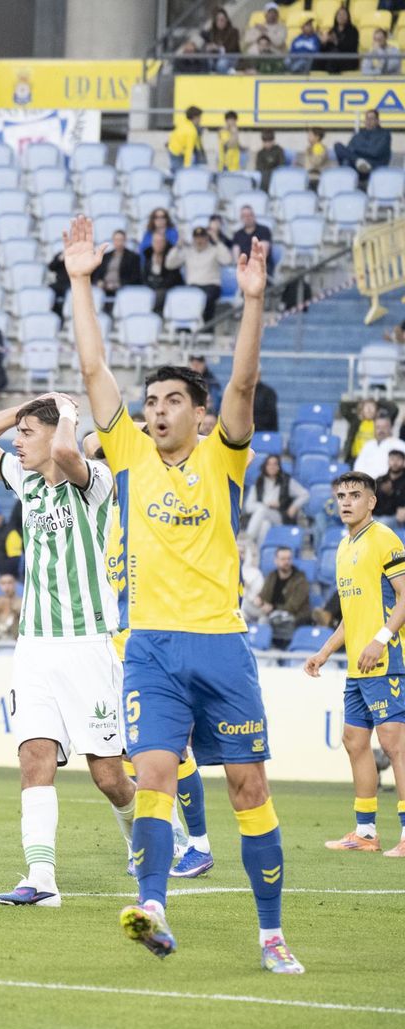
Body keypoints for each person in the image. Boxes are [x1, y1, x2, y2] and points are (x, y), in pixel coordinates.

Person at [66, 214, 301, 972]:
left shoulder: (224, 459)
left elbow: (243, 381)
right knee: (155, 776)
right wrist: (80, 282)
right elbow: (95, 370)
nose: (157, 409)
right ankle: (154, 907)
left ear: (198, 415)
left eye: (172, 401)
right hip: (152, 648)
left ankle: (271, 934)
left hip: (221, 644)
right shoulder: (129, 450)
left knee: (247, 788)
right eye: (153, 400)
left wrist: (253, 300)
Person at [303, 472, 405, 857]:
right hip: (358, 666)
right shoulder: (344, 547)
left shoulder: (385, 539)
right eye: (341, 495)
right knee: (355, 741)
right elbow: (351, 614)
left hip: (387, 660)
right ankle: (365, 832)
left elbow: (403, 596)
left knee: (395, 744)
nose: (346, 502)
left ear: (372, 502)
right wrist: (325, 651)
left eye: (355, 495)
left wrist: (381, 641)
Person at [165, 226, 234, 321]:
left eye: (202, 237)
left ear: (207, 238)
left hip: (211, 285)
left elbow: (227, 260)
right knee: (185, 300)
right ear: (193, 239)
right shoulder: (187, 251)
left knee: (206, 300)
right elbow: (169, 264)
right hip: (193, 286)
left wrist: (217, 241)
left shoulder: (214, 250)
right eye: (197, 238)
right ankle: (186, 328)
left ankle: (207, 330)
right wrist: (177, 246)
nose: (199, 240)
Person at [244, 546, 311, 632]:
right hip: (269, 612)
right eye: (283, 559)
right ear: (276, 560)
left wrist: (273, 608)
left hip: (290, 615)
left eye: (289, 559)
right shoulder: (272, 576)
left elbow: (292, 607)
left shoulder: (300, 580)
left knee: (264, 620)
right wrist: (260, 599)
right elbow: (264, 595)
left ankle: (260, 641)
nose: (286, 562)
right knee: (245, 605)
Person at [335, 109, 393, 178]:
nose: (368, 121)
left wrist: (357, 149)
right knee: (338, 146)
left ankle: (358, 162)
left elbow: (375, 152)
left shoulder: (384, 134)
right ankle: (358, 161)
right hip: (356, 163)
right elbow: (349, 149)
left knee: (347, 163)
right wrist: (357, 158)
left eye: (371, 119)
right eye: (367, 119)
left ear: (377, 121)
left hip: (373, 164)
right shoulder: (359, 134)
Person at [318, 3, 361, 75]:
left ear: (348, 17)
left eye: (344, 14)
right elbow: (325, 50)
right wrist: (324, 43)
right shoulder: (332, 30)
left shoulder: (353, 30)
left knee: (333, 57)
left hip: (347, 59)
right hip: (331, 58)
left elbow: (351, 47)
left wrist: (336, 42)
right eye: (339, 14)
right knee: (317, 59)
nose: (341, 17)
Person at [167, 106, 205, 172]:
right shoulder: (191, 131)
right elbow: (189, 150)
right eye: (199, 117)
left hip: (172, 149)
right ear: (195, 117)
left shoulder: (183, 123)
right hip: (178, 153)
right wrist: (187, 168)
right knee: (179, 173)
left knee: (175, 169)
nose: (200, 120)